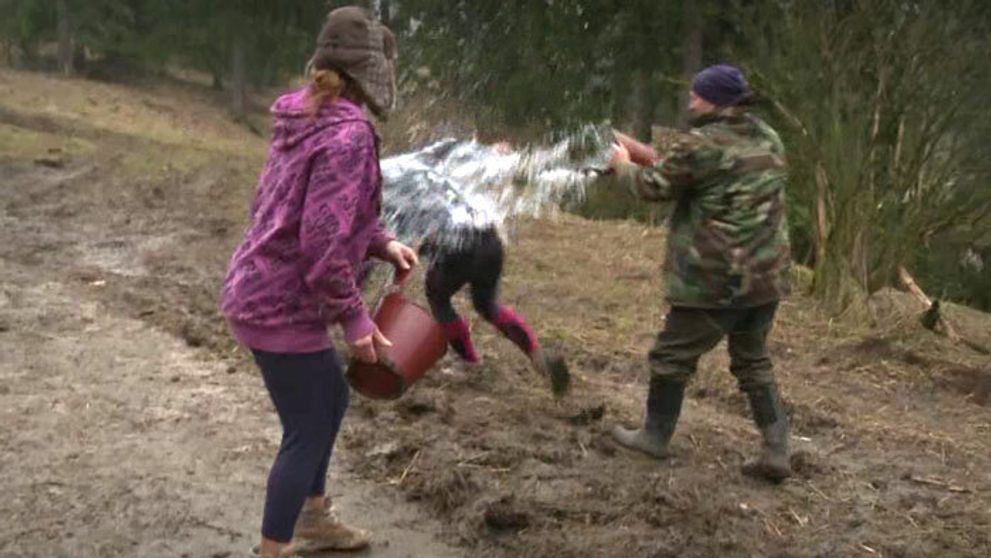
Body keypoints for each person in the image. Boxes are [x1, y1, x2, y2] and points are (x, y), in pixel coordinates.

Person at [220, 7, 418, 557]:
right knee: (306, 431)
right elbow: (320, 243)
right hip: (282, 302)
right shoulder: (349, 135)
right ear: (370, 74)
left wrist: (382, 241)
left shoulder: (306, 113)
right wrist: (356, 318)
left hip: (259, 288)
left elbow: (314, 209)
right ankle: (272, 549)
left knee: (329, 396)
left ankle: (313, 515)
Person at [608, 64, 793, 482]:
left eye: (697, 94)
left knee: (671, 358)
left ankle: (653, 438)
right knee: (753, 361)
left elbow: (652, 187)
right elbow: (711, 176)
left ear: (715, 100)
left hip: (716, 281)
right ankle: (777, 450)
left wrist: (621, 163)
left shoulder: (700, 144)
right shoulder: (767, 136)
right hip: (766, 278)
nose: (690, 100)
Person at [378, 139, 571, 396]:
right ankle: (536, 354)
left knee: (438, 297)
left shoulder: (384, 189)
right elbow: (456, 150)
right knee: (487, 305)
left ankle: (470, 362)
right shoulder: (423, 163)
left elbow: (401, 251)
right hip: (489, 237)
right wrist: (491, 152)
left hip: (458, 244)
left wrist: (394, 290)